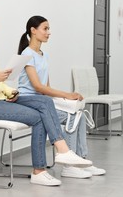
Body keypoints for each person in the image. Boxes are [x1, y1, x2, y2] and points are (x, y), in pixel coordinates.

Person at [0, 11, 92, 186]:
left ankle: (58, 154)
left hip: (0, 99)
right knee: (38, 117)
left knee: (45, 101)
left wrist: (10, 91)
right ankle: (42, 168)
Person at [17, 15, 106, 179]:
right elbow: (37, 86)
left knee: (77, 115)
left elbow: (47, 88)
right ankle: (69, 166)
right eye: (45, 28)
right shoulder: (27, 54)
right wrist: (67, 94)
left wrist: (66, 100)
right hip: (28, 101)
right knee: (72, 118)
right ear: (33, 31)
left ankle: (81, 160)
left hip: (42, 101)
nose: (49, 32)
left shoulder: (44, 55)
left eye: (49, 29)